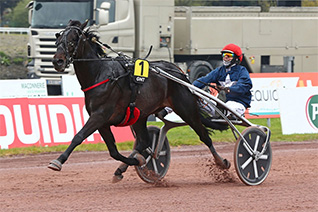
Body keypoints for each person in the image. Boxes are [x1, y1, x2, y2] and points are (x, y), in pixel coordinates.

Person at [157, 43, 252, 119]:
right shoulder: (219, 71)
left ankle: (226, 114)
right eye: (224, 55)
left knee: (228, 106)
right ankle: (166, 110)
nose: (225, 58)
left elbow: (246, 86)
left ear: (236, 58)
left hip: (238, 104)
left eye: (228, 55)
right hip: (220, 105)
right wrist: (191, 87)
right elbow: (204, 79)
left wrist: (229, 89)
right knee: (187, 94)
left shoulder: (242, 71)